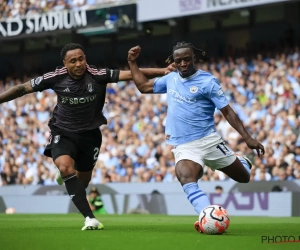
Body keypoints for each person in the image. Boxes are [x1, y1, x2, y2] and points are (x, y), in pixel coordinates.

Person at [0, 43, 173, 230]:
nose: (78, 64)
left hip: (90, 135)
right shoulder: (55, 77)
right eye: (73, 61)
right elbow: (22, 88)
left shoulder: (97, 75)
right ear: (65, 63)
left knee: (81, 183)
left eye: (81, 58)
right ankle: (90, 218)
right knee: (66, 168)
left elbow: (132, 74)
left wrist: (164, 71)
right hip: (63, 132)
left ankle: (67, 173)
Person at [127, 42, 265, 233]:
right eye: (178, 60)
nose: (183, 63)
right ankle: (206, 216)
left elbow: (227, 111)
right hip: (184, 145)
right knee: (185, 176)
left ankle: (241, 161)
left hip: (209, 141)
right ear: (173, 62)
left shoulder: (208, 82)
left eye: (186, 59)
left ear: (194, 58)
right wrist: (132, 62)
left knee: (244, 178)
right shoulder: (171, 79)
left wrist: (247, 137)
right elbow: (142, 86)